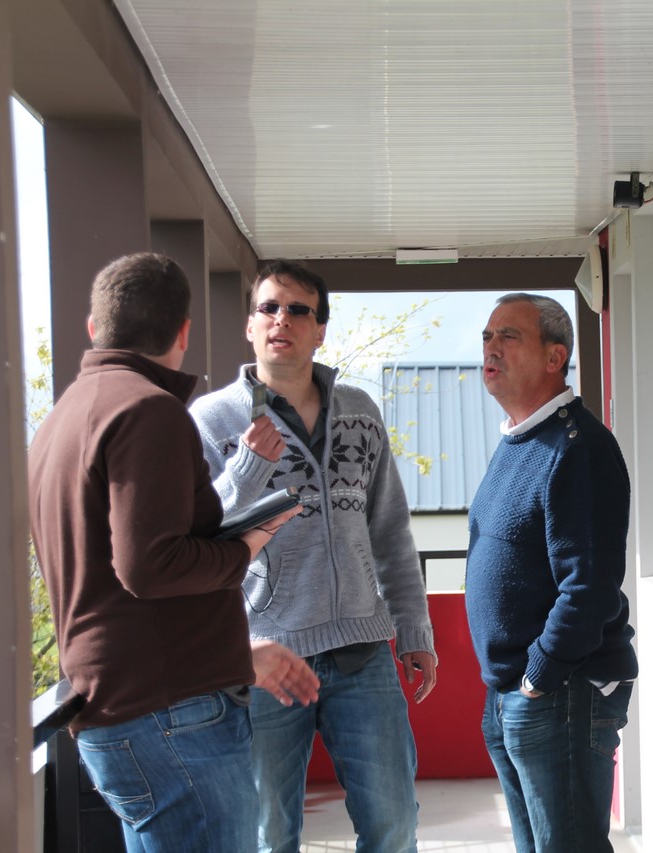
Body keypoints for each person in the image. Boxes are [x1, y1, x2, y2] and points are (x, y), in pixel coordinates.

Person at [28, 252, 320, 853]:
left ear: (94, 327)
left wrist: (235, 653)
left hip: (126, 706)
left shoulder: (64, 416)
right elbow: (150, 567)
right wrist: (244, 547)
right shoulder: (148, 410)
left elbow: (116, 581)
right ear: (184, 332)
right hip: (171, 721)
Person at [189, 259, 438, 853]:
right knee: (269, 836)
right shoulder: (212, 420)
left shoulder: (360, 412)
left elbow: (390, 531)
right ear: (250, 325)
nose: (282, 319)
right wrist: (247, 468)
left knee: (394, 825)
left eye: (299, 310)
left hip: (361, 653)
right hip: (266, 659)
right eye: (269, 308)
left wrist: (414, 628)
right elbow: (196, 537)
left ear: (320, 330)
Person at [465, 292, 638, 853]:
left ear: (554, 356)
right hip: (516, 693)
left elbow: (588, 586)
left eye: (509, 336)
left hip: (558, 693)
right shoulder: (519, 441)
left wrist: (541, 675)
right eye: (487, 337)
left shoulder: (578, 447)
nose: (491, 348)